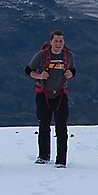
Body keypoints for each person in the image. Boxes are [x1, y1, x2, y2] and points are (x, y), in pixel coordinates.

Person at [25, 29, 76, 167]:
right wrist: (39, 76)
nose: (58, 44)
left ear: (64, 42)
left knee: (61, 128)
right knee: (44, 126)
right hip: (43, 94)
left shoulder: (68, 56)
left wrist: (71, 74)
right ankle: (44, 157)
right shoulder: (41, 55)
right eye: (56, 41)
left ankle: (61, 160)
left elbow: (73, 70)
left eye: (61, 41)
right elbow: (28, 70)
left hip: (60, 95)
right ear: (50, 41)